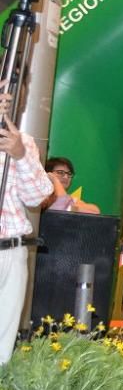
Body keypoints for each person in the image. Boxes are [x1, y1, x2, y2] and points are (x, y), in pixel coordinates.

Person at [0, 100, 53, 364]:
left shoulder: (24, 141)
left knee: (3, 347)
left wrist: (20, 154)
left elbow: (38, 196)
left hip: (13, 249)